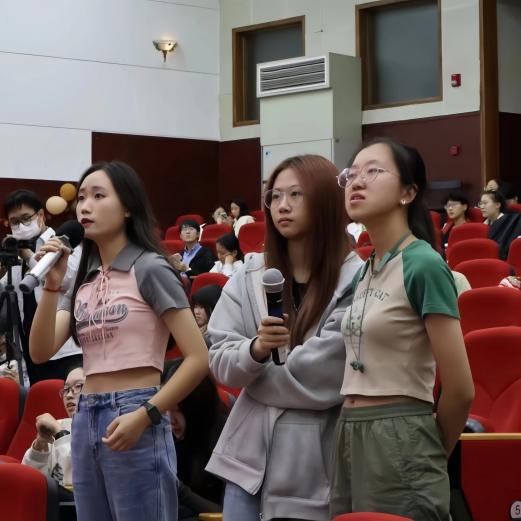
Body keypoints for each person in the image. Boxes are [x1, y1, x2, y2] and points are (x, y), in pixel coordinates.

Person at [29, 161, 209, 521]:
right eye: (81, 198)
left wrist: (147, 414)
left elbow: (198, 358)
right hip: (86, 415)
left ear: (127, 206)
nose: (86, 206)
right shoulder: (84, 279)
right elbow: (40, 350)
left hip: (135, 410)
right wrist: (52, 285)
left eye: (99, 196)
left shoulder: (151, 267)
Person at [206, 155, 363, 521]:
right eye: (275, 196)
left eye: (296, 194)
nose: (283, 206)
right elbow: (220, 361)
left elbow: (324, 377)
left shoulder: (356, 280)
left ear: (325, 200)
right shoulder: (249, 274)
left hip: (313, 467)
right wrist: (256, 349)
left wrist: (254, 380)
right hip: (245, 465)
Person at [331, 138, 474, 519]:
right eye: (351, 174)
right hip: (350, 430)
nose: (357, 181)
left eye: (373, 171)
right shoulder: (366, 269)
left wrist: (426, 452)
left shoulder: (423, 264)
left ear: (408, 192)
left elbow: (460, 388)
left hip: (401, 431)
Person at [1, 189, 82, 385]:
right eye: (14, 222)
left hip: (64, 351)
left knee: (68, 401)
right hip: (31, 352)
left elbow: (66, 280)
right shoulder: (17, 253)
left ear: (41, 216)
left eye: (26, 218)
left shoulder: (63, 241)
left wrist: (29, 256)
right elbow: (6, 289)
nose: (21, 226)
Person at [162, 359, 228, 521]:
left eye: (177, 411)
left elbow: (228, 512)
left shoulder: (225, 440)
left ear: (197, 407)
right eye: (166, 410)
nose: (171, 419)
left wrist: (180, 490)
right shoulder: (167, 436)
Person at [22, 366, 85, 489]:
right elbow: (28, 482)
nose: (69, 395)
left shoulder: (105, 429)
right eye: (66, 389)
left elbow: (77, 480)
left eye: (78, 386)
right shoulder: (58, 425)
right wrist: (40, 447)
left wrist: (60, 434)